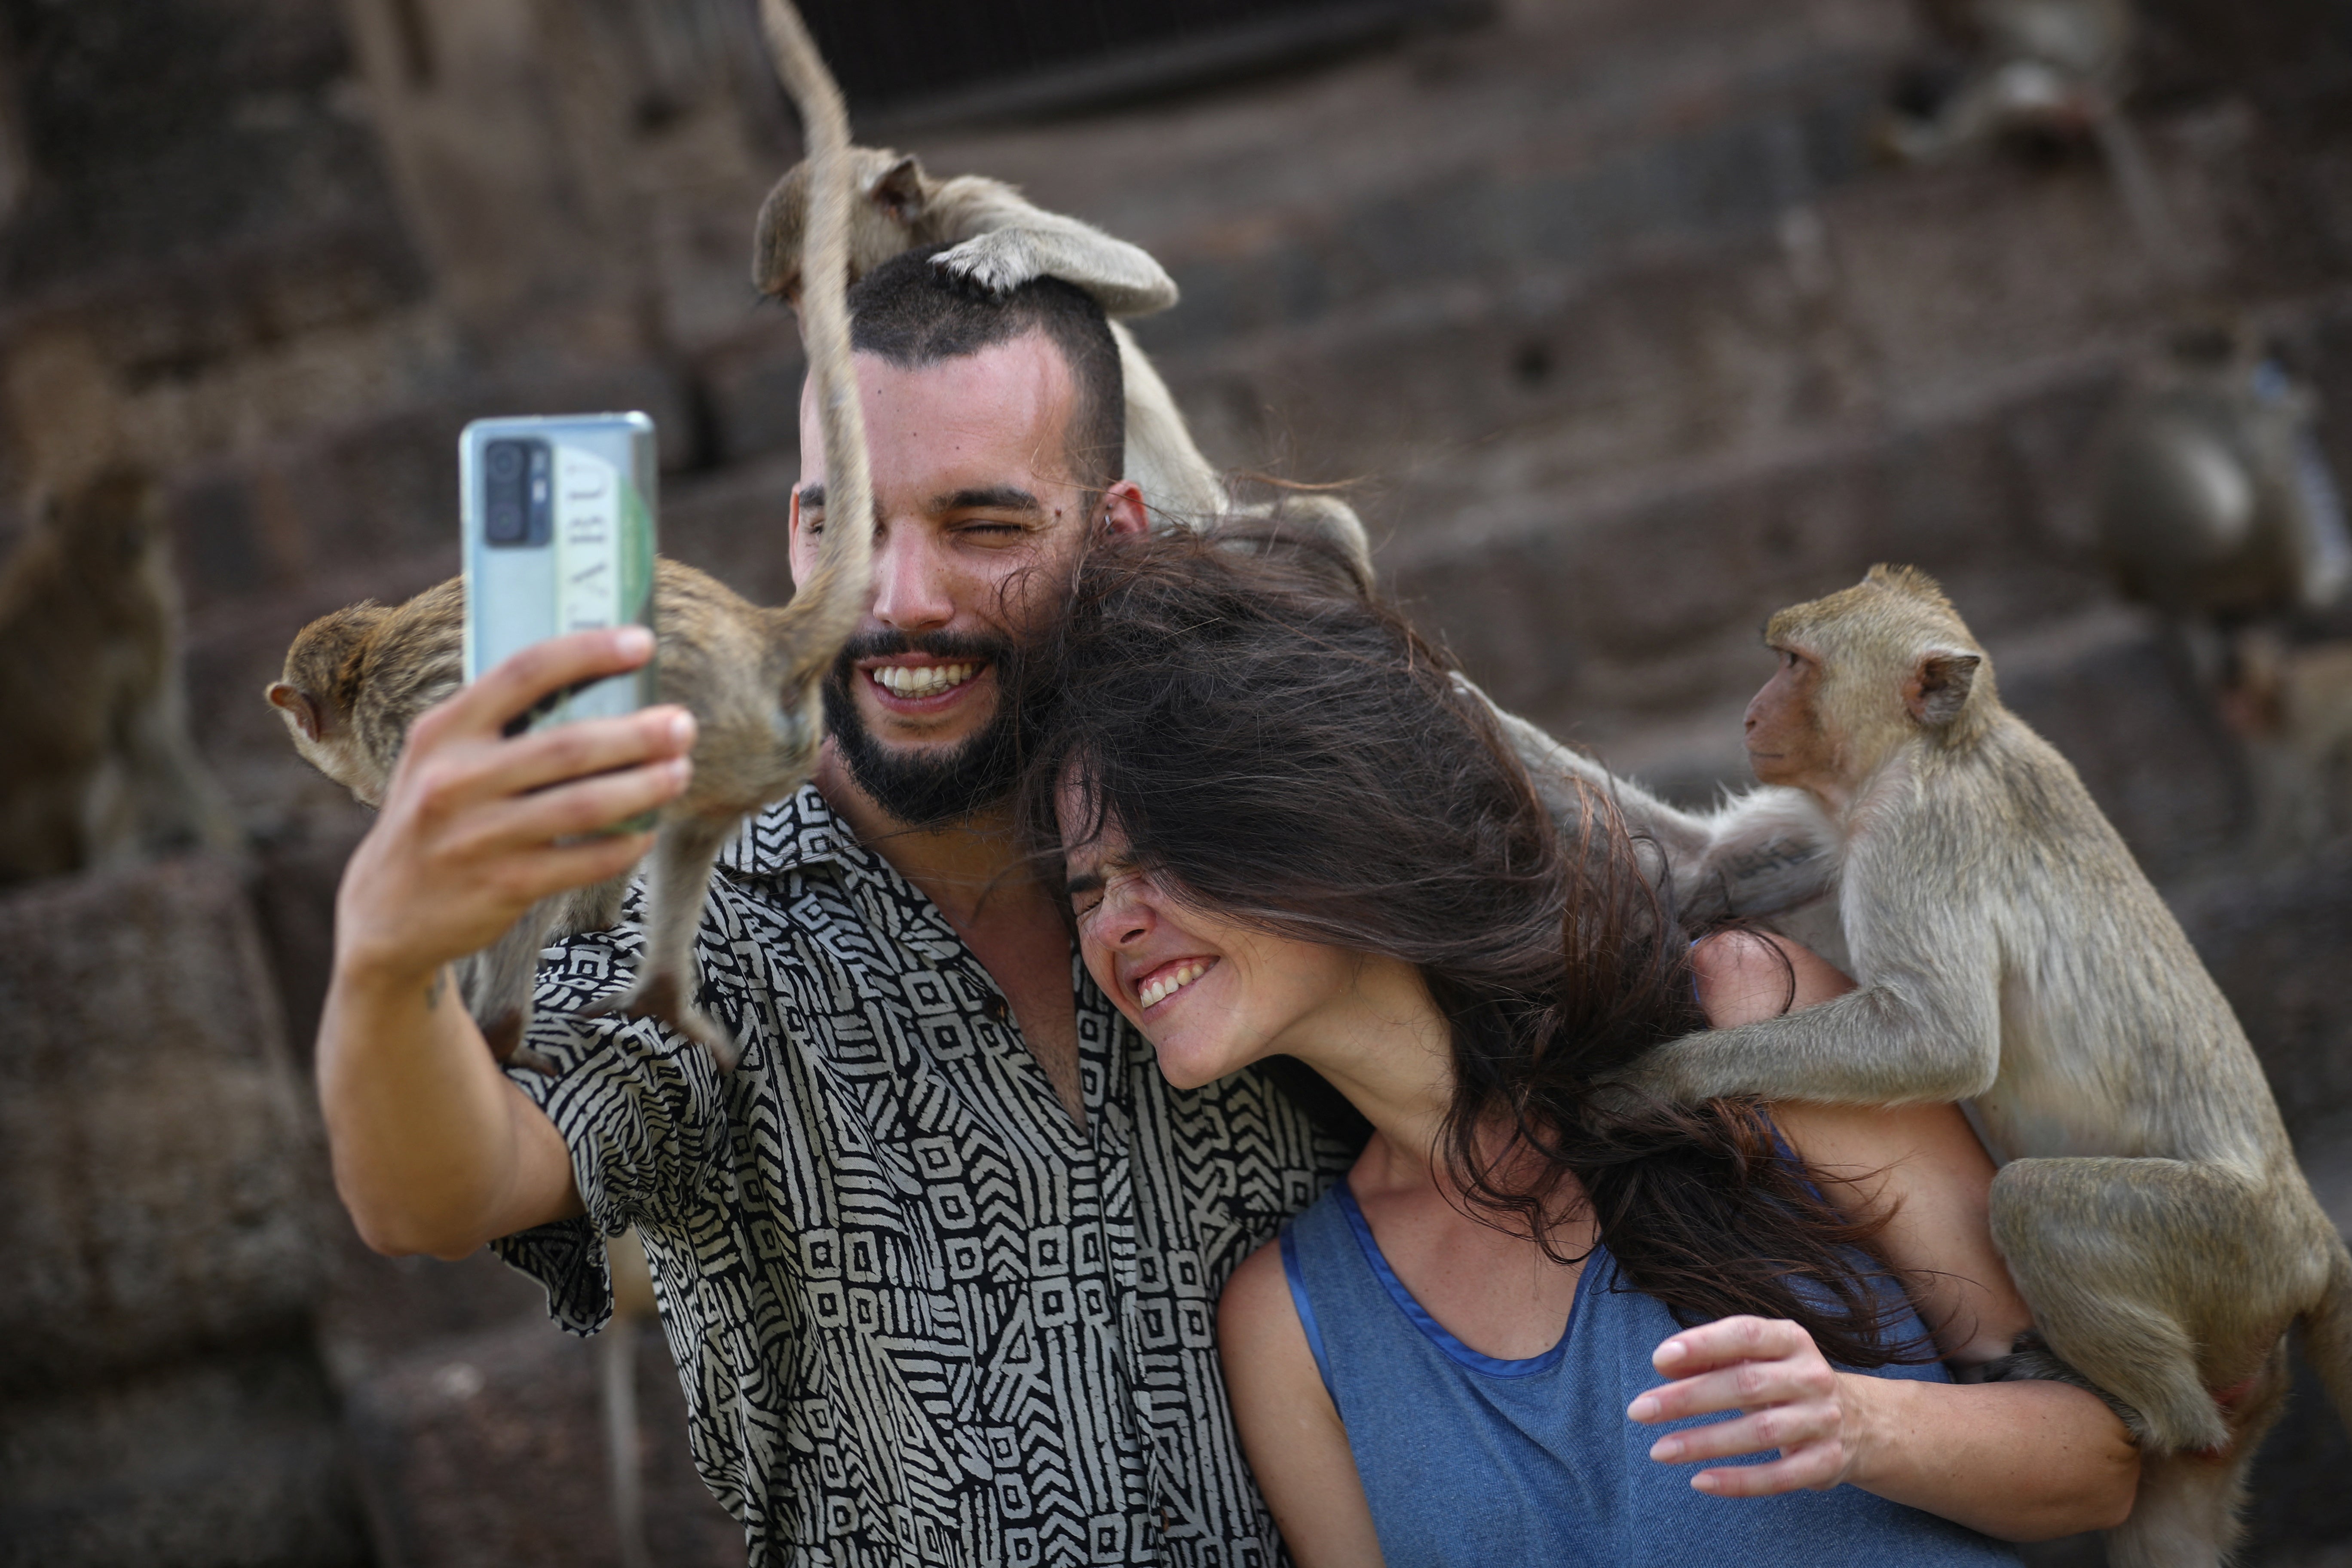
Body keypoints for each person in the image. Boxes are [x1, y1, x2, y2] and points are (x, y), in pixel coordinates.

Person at [315, 251, 1358, 1565]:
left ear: (1116, 533)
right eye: (845, 525)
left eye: (983, 528)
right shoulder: (696, 916)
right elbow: (445, 1192)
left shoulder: (1262, 813)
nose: (900, 599)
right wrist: (387, 964)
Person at [1023, 530, 2142, 1567]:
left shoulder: (1747, 1016)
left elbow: (2100, 1460)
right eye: (1087, 889)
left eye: (1154, 861)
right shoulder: (1290, 1326)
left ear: (1312, 820)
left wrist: (1859, 1422)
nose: (1115, 925)